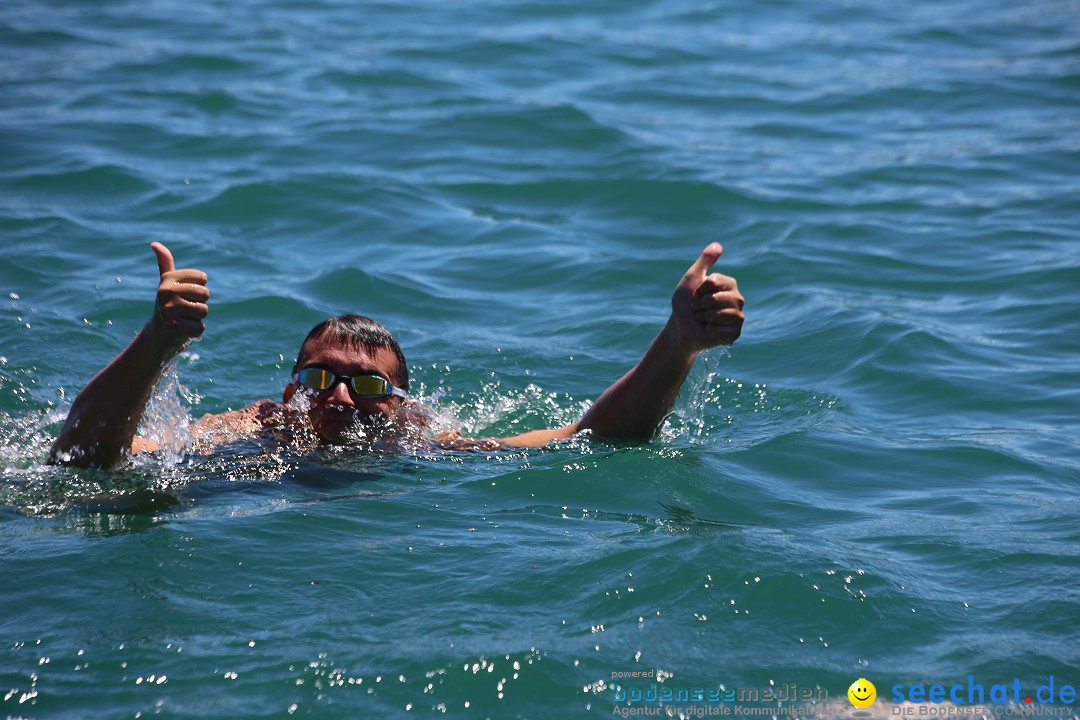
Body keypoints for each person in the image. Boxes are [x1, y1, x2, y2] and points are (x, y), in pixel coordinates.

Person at [49, 242, 745, 467]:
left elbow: (588, 439)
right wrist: (157, 344)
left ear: (404, 405)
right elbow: (81, 460)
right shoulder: (245, 432)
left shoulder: (422, 443)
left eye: (372, 389)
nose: (343, 400)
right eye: (321, 378)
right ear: (288, 389)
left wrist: (677, 345)